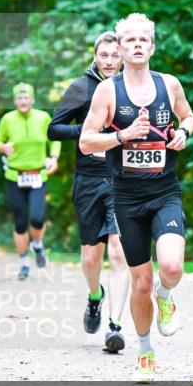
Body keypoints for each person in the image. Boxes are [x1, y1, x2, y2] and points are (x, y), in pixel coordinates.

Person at [79, 13, 193, 382]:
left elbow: (189, 117)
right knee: (139, 282)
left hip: (164, 191)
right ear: (120, 47)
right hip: (126, 198)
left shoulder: (170, 84)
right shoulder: (108, 91)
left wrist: (183, 133)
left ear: (153, 46)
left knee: (172, 267)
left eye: (143, 39)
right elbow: (86, 142)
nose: (137, 45)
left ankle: (167, 294)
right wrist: (123, 135)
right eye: (129, 40)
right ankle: (145, 352)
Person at [49, 31, 129, 353]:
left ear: (123, 57)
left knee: (119, 251)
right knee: (91, 255)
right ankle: (95, 296)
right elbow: (53, 129)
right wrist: (87, 131)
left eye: (115, 55)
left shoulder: (132, 88)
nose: (110, 61)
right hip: (89, 179)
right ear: (96, 56)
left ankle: (115, 326)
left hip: (123, 179)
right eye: (104, 55)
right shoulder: (81, 88)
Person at [0, 83, 60, 281]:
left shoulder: (43, 117)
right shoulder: (8, 119)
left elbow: (54, 139)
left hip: (38, 175)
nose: (23, 101)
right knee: (20, 222)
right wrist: (2, 147)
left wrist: (54, 157)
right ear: (15, 101)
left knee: (38, 218)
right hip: (15, 176)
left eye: (26, 98)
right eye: (19, 98)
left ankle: (37, 244)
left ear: (32, 100)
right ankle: (23, 263)